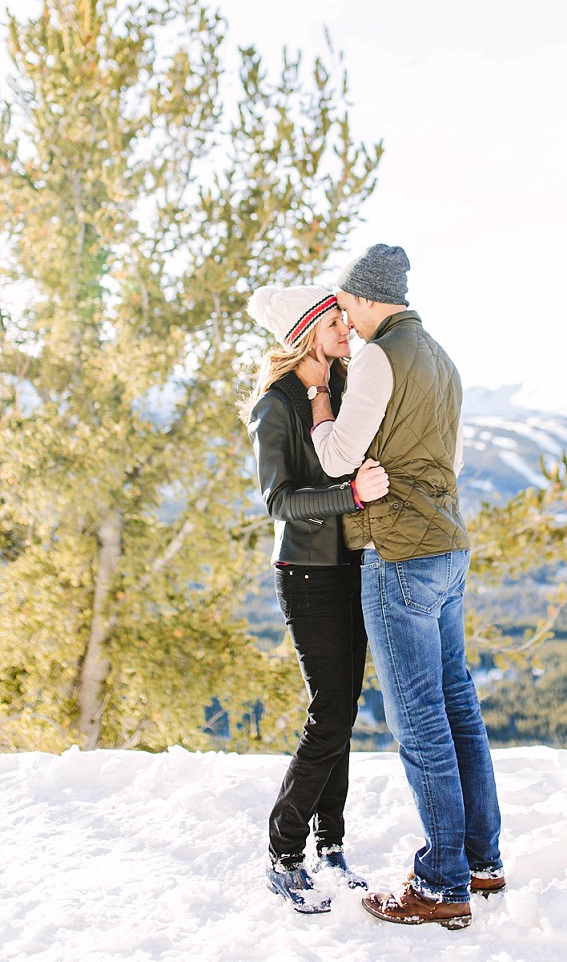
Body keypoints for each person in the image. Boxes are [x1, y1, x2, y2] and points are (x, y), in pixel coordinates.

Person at [296, 244, 504, 931]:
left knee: (419, 724)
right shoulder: (440, 356)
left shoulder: (381, 357)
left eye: (348, 303)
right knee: (458, 707)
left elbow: (334, 458)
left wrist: (320, 395)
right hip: (448, 547)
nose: (345, 319)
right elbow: (456, 455)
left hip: (402, 555)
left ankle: (442, 882)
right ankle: (481, 860)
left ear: (370, 296)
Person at [244, 283, 389, 915]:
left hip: (352, 565)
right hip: (307, 572)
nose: (347, 329)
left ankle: (330, 846)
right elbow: (277, 502)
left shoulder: (347, 384)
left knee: (344, 707)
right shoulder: (275, 406)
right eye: (335, 320)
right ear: (307, 332)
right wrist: (350, 497)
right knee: (331, 709)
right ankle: (284, 849)